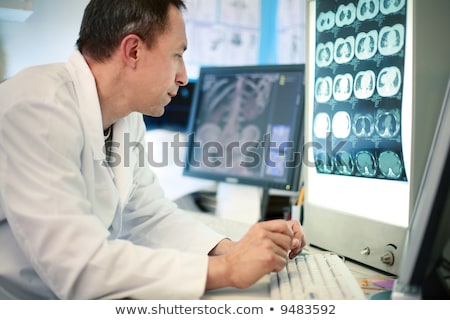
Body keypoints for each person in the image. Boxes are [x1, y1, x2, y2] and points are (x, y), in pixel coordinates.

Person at [0, 0, 305, 299]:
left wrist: (233, 249)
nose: (183, 76)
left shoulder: (125, 118)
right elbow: (78, 266)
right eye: (177, 55)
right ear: (133, 51)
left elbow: (147, 216)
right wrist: (227, 269)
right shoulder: (36, 107)